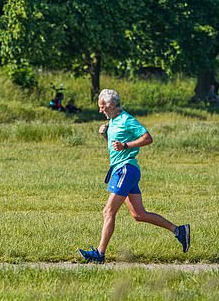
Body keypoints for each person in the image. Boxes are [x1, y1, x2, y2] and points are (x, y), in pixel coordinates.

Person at [78, 89, 190, 263]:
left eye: (102, 107)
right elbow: (116, 147)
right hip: (121, 169)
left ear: (112, 105)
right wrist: (105, 136)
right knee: (139, 214)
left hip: (126, 170)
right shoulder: (113, 121)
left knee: (108, 211)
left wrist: (126, 145)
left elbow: (147, 138)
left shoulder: (127, 120)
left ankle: (99, 254)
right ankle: (179, 231)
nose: (100, 111)